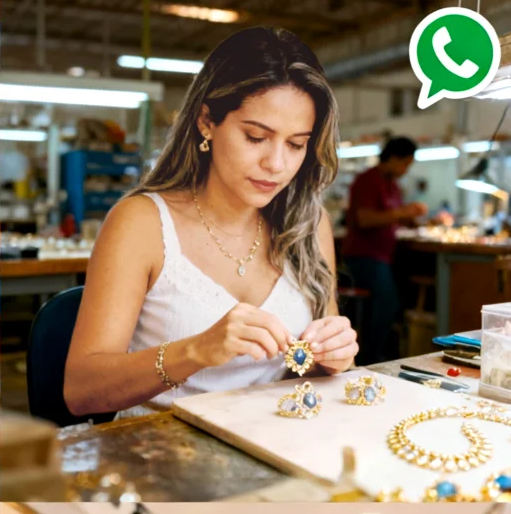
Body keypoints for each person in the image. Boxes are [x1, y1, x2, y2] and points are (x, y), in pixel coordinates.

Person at [64, 27, 357, 419]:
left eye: (296, 144)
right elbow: (81, 391)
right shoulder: (142, 224)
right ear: (206, 121)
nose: (276, 164)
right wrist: (196, 350)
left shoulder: (308, 224)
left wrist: (334, 359)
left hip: (276, 442)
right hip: (157, 449)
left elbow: (317, 375)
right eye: (256, 137)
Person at [341, 137, 429, 365]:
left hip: (383, 256)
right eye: (405, 164)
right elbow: (365, 219)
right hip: (363, 256)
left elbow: (394, 216)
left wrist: (416, 218)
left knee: (395, 301)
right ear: (392, 158)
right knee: (387, 302)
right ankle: (369, 360)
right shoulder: (367, 181)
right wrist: (403, 213)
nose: (406, 170)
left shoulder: (393, 185)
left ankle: (378, 353)